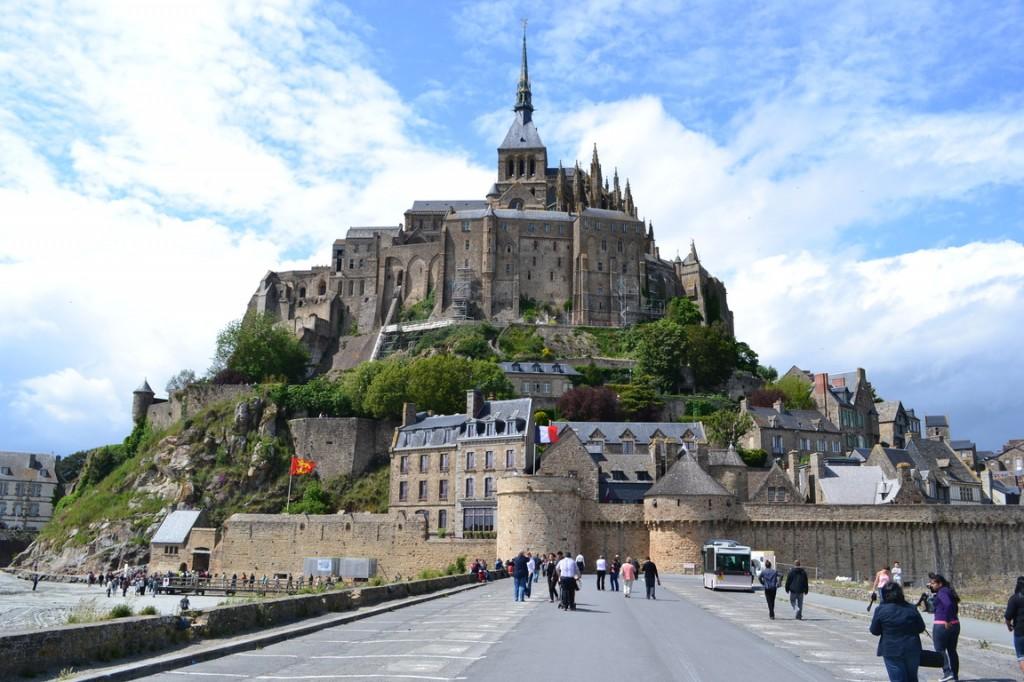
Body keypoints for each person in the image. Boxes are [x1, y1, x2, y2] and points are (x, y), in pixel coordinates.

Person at [869, 582, 926, 682]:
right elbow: (921, 628)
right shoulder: (911, 608)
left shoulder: (881, 610)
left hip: (891, 649)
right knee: (912, 678)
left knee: (897, 679)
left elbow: (875, 631)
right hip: (912, 648)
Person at [929, 574, 960, 682]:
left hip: (942, 624)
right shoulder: (949, 591)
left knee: (940, 650)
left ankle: (947, 672)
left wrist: (947, 619)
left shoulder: (942, 592)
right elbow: (952, 606)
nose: (931, 585)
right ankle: (954, 676)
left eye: (933, 583)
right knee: (952, 651)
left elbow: (948, 604)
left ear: (940, 584)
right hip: (955, 623)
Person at [1004, 575, 1024, 676]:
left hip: (1020, 631)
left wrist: (1009, 626)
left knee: (1021, 656)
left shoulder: (1014, 598)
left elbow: (1008, 617)